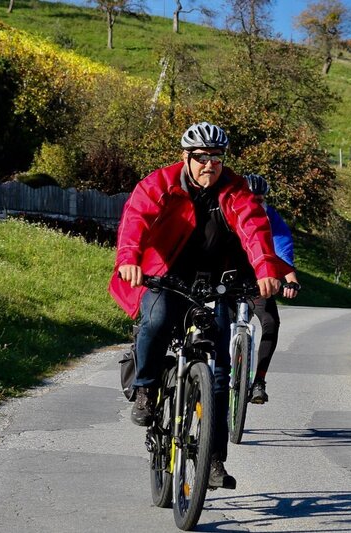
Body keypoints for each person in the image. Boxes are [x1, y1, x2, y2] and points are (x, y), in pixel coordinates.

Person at [109, 121, 292, 489]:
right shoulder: (160, 183)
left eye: (217, 158)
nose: (210, 164)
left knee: (221, 373)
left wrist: (266, 269)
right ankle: (146, 389)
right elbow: (135, 219)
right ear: (186, 157)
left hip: (216, 283)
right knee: (157, 320)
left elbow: (255, 228)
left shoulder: (236, 190)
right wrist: (129, 257)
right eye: (202, 157)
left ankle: (212, 461)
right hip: (166, 274)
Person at [241, 174, 300, 404]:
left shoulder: (272, 219)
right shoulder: (229, 212)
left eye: (260, 199)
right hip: (227, 281)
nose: (256, 203)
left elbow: (281, 252)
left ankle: (259, 381)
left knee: (271, 322)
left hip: (258, 283)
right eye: (251, 198)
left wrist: (291, 280)